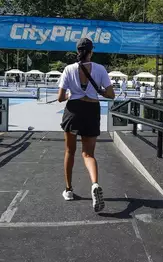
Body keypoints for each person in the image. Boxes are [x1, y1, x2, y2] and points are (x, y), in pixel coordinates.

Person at [57, 37, 115, 212]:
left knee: (70, 151)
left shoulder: (68, 69)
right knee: (88, 154)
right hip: (91, 109)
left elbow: (60, 97)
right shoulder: (100, 69)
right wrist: (100, 91)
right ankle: (95, 184)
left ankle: (68, 190)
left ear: (77, 51)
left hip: (73, 110)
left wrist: (69, 96)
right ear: (91, 52)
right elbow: (111, 94)